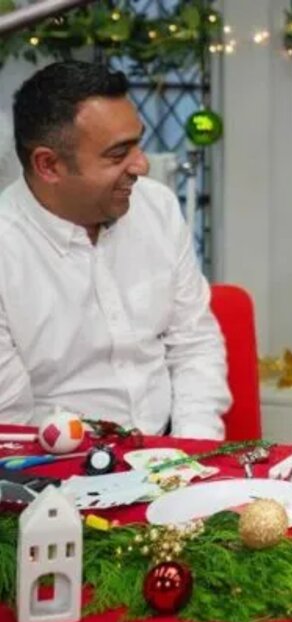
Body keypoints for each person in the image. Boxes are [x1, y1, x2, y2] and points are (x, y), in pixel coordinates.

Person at [0, 61, 230, 439]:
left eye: (138, 143)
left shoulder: (156, 206)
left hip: (170, 445)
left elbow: (194, 344)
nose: (142, 165)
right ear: (49, 165)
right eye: (118, 153)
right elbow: (10, 428)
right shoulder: (8, 248)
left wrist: (191, 448)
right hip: (54, 462)